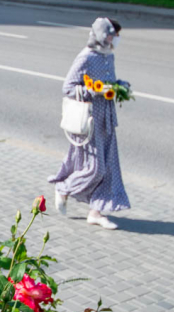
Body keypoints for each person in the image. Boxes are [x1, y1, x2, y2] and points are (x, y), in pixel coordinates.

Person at [48, 17, 131, 230]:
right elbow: (68, 87)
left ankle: (96, 212)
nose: (116, 39)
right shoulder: (86, 56)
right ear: (103, 35)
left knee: (109, 168)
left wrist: (120, 87)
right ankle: (64, 188)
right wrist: (92, 91)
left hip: (107, 119)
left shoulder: (108, 56)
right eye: (114, 35)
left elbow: (109, 82)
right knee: (96, 169)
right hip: (90, 119)